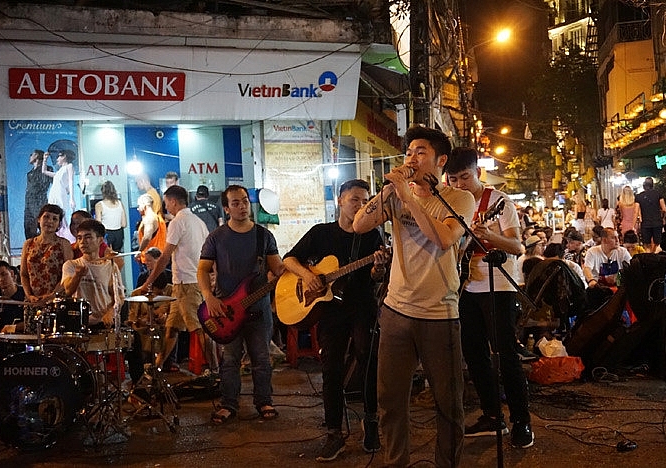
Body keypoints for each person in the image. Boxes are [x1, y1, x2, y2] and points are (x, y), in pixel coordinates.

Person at [353, 127, 475, 467]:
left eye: (420, 152)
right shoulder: (396, 195)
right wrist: (389, 193)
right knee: (390, 401)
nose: (411, 158)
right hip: (396, 312)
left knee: (449, 405)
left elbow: (444, 239)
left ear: (440, 161)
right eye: (409, 152)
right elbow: (359, 224)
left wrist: (409, 199)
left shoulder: (458, 199)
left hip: (440, 314)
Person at [283, 179, 389, 461]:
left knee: (368, 361)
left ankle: (371, 422)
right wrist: (308, 276)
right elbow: (289, 260)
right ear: (340, 201)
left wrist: (378, 268)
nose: (360, 205)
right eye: (355, 199)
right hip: (330, 310)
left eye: (365, 200)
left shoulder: (372, 236)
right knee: (330, 368)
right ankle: (334, 432)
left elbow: (376, 277)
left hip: (362, 305)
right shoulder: (321, 232)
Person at [445, 147, 534, 449]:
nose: (459, 185)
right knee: (474, 355)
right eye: (453, 179)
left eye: (465, 177)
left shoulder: (498, 202)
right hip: (466, 286)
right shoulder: (452, 202)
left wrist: (488, 235)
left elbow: (517, 246)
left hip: (498, 287)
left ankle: (522, 421)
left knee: (505, 355)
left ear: (478, 173)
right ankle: (492, 414)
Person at [197, 184, 284, 424]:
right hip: (226, 310)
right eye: (235, 203)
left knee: (262, 358)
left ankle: (264, 401)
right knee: (230, 360)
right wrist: (208, 296)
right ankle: (228, 404)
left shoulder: (263, 235)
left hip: (259, 309)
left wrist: (286, 271)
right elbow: (203, 269)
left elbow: (276, 267)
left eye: (245, 201)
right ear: (226, 208)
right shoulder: (216, 238)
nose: (242, 206)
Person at [140, 185, 215, 376]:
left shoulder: (177, 222)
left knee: (199, 329)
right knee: (171, 328)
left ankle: (216, 371)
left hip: (186, 284)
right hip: (187, 283)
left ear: (173, 201)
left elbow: (165, 256)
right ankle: (157, 367)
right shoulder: (198, 222)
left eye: (166, 203)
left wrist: (147, 283)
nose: (166, 207)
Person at [61, 219, 125, 328]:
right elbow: (67, 291)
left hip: (103, 323)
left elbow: (119, 297)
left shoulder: (111, 266)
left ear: (100, 240)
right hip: (79, 323)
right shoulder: (71, 265)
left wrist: (110, 313)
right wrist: (78, 275)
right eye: (79, 238)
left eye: (88, 237)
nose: (82, 242)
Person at [20, 204, 74, 306]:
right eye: (46, 217)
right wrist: (29, 295)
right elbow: (23, 274)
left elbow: (68, 274)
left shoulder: (63, 244)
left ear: (58, 224)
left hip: (57, 300)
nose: (50, 221)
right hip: (33, 301)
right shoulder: (28, 244)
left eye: (55, 219)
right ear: (39, 219)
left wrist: (53, 295)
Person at [42, 150, 76, 242]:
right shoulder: (59, 171)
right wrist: (45, 159)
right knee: (52, 213)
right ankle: (55, 236)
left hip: (60, 194)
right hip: (53, 194)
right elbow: (44, 171)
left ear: (64, 156)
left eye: (58, 157)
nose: (57, 160)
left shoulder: (69, 166)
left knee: (61, 215)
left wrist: (72, 198)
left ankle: (66, 239)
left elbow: (71, 182)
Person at [0, 260, 26, 336]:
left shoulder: (25, 294)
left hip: (21, 338)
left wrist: (13, 327)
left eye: (4, 274)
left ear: (12, 274)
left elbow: (32, 321)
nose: (1, 279)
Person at [24, 149, 53, 239]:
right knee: (28, 228)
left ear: (36, 155)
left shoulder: (47, 169)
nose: (30, 156)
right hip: (29, 203)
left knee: (42, 226)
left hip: (39, 201)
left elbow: (52, 181)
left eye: (31, 154)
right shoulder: (30, 173)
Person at [635, 177, 666, 253]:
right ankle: (654, 255)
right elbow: (664, 209)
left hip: (645, 223)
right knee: (657, 243)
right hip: (657, 222)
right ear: (653, 185)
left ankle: (649, 257)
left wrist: (636, 223)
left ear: (644, 185)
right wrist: (663, 218)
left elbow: (636, 211)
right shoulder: (658, 194)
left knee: (646, 244)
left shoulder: (639, 196)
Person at [95, 181, 127, 252]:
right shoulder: (120, 203)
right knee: (118, 258)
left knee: (105, 257)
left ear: (102, 192)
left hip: (106, 234)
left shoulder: (99, 205)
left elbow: (98, 224)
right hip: (119, 234)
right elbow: (124, 224)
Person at [136, 193, 167, 265]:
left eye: (139, 205)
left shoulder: (149, 219)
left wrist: (139, 252)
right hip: (160, 258)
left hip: (150, 261)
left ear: (144, 205)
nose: (138, 208)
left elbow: (147, 237)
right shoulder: (158, 218)